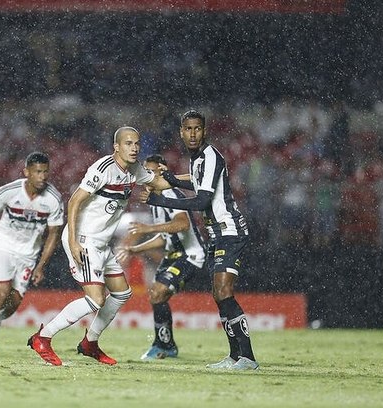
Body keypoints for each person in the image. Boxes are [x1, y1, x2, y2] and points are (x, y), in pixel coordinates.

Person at [27, 126, 171, 366]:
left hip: (102, 244)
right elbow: (74, 201)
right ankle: (43, 337)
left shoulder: (134, 169)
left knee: (122, 293)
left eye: (136, 143)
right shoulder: (102, 168)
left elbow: (160, 182)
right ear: (116, 146)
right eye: (128, 143)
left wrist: (196, 179)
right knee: (96, 299)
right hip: (84, 240)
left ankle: (90, 342)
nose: (134, 148)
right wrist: (73, 241)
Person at [139, 109, 259, 370]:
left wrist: (160, 197)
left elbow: (203, 199)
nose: (193, 133)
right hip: (216, 235)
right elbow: (195, 181)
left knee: (224, 291)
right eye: (188, 129)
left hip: (230, 231)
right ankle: (235, 355)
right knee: (219, 294)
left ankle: (247, 357)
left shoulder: (211, 155)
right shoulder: (197, 160)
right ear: (181, 133)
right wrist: (169, 178)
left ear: (204, 131)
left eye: (197, 128)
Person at [0, 152, 64, 357]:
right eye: (37, 172)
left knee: (11, 306)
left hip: (28, 254)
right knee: (1, 292)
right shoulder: (9, 191)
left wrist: (41, 266)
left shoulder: (54, 199)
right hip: (3, 245)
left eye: (45, 172)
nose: (42, 177)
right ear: (26, 172)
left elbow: (54, 233)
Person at [116, 154, 206, 360]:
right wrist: (135, 249)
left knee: (158, 292)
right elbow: (164, 237)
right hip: (172, 254)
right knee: (156, 295)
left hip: (190, 255)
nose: (146, 177)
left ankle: (165, 345)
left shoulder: (171, 194)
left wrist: (148, 227)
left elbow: (181, 224)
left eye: (151, 172)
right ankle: (165, 344)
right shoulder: (156, 199)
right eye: (144, 173)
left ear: (162, 170)